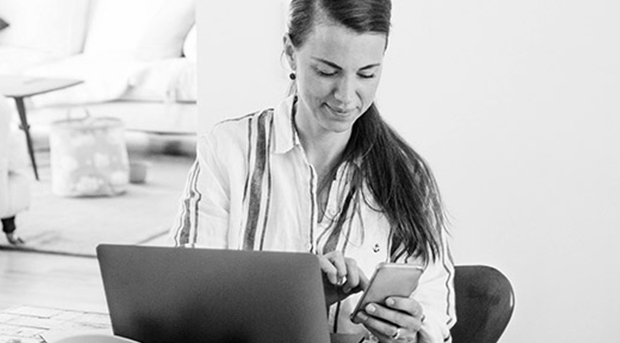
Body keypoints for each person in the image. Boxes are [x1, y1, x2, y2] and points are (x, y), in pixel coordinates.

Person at [170, 0, 456, 341]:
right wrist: (299, 301)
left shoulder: (406, 175)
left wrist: (412, 331)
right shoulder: (229, 150)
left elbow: (436, 314)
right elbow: (190, 303)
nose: (346, 96)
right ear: (291, 53)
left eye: (367, 73)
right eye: (327, 71)